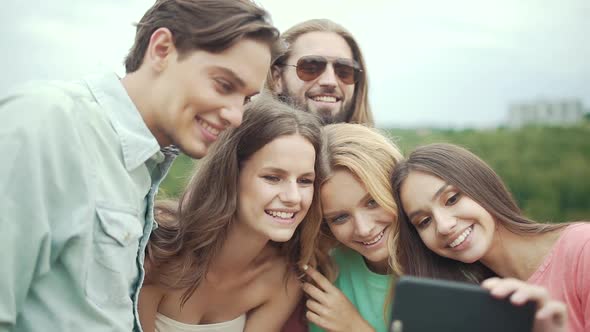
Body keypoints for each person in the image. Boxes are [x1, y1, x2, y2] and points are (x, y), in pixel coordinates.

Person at [0, 0, 279, 331]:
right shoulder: (48, 123)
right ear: (161, 49)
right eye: (223, 85)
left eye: (246, 99)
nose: (236, 115)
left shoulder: (143, 165)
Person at [139, 94, 324, 332]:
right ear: (230, 175)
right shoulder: (157, 254)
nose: (293, 197)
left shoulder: (281, 280)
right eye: (272, 177)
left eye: (305, 181)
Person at [390, 143, 590, 332]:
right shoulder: (471, 303)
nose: (443, 226)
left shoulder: (583, 249)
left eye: (452, 199)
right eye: (424, 221)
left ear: (481, 185)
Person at [299, 124, 403, 332]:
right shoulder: (330, 272)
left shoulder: (448, 265)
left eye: (372, 202)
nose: (364, 229)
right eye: (340, 218)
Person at [266, 19, 373, 126]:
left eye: (344, 72)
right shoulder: (250, 141)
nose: (330, 81)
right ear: (277, 78)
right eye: (311, 68)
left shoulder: (375, 143)